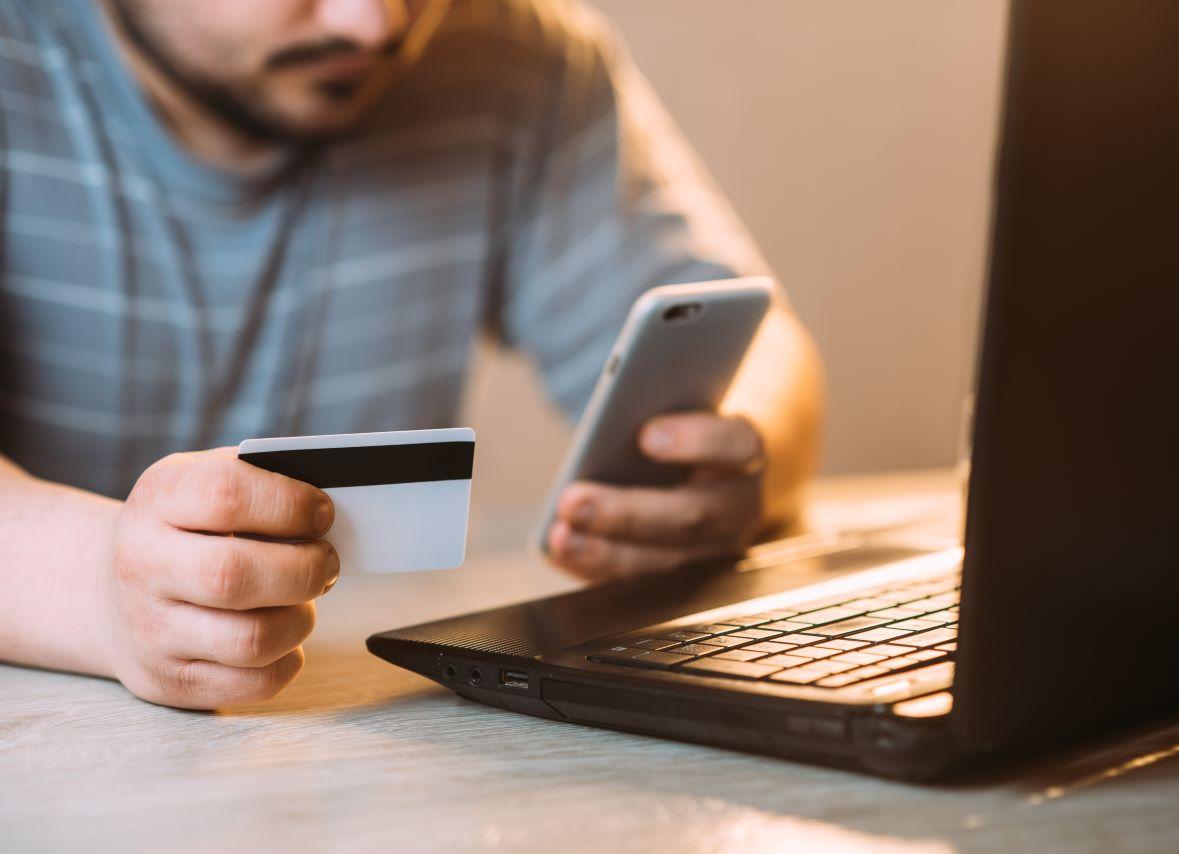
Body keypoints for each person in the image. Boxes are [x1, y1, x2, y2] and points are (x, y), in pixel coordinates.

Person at [0, 0, 824, 709]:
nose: (375, 24)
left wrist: (738, 465)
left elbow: (759, 348)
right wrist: (98, 588)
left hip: (362, 735)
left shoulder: (515, 56)